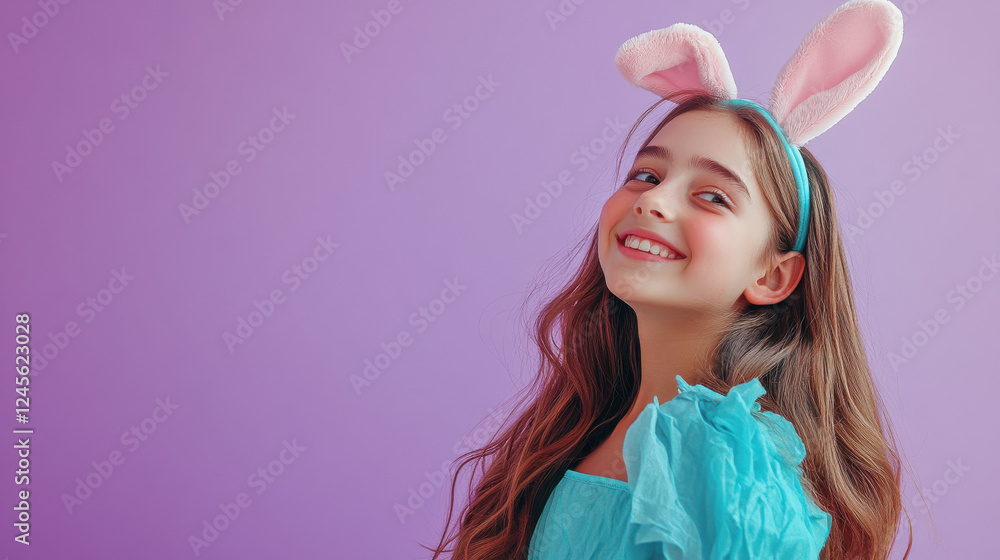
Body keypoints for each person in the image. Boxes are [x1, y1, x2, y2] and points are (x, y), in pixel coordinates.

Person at [423, 1, 919, 558]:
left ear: (774, 276)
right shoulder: (580, 431)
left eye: (712, 196)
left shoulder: (729, 466)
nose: (654, 200)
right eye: (646, 174)